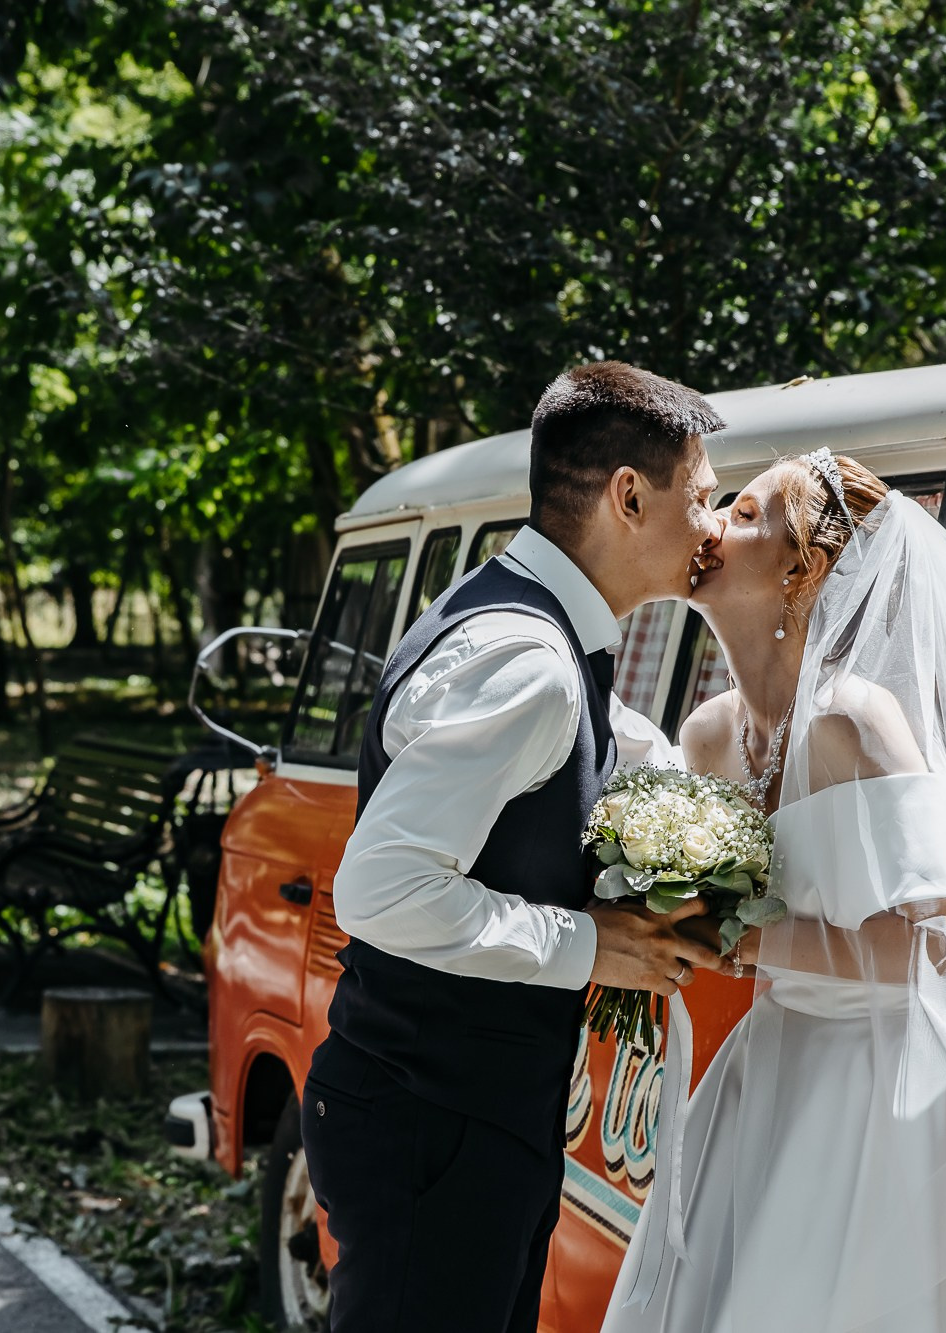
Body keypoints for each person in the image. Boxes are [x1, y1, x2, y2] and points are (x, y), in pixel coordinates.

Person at [603, 451, 946, 1333]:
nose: (712, 526)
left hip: (878, 1099)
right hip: (763, 1079)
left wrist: (748, 940)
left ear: (803, 565)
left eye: (744, 515)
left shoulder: (856, 720)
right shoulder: (707, 737)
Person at [302, 362, 729, 1333]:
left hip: (458, 1118)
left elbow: (606, 742)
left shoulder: (532, 632)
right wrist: (592, 944)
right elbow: (380, 887)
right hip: (432, 1125)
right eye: (701, 498)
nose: (712, 525)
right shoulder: (527, 663)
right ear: (629, 496)